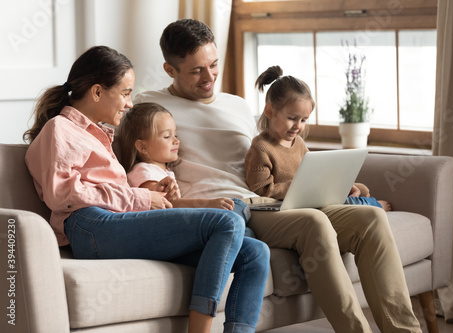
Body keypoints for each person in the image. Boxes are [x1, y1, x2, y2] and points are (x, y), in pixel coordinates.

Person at [134, 18, 422, 333]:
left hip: (266, 201)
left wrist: (323, 183)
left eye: (213, 65)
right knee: (313, 223)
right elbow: (133, 159)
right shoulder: (150, 105)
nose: (209, 77)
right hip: (228, 208)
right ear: (170, 70)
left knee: (371, 220)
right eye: (196, 70)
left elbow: (271, 152)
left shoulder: (237, 105)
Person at [23, 45, 270, 333]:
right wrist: (141, 197)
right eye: (125, 93)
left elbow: (113, 190)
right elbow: (61, 193)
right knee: (227, 221)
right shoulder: (60, 129)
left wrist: (159, 197)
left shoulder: (99, 135)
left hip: (113, 224)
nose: (129, 103)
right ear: (97, 92)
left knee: (255, 252)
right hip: (90, 226)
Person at [245, 65, 391, 211]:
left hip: (311, 194)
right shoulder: (261, 148)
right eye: (292, 118)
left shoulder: (298, 143)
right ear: (270, 111)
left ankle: (366, 204)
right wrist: (298, 187)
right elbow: (260, 190)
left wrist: (338, 184)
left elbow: (315, 172)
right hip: (295, 202)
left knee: (360, 189)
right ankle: (375, 207)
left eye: (303, 120)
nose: (298, 126)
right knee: (351, 201)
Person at [116, 101, 255, 237]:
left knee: (248, 235)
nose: (176, 141)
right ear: (142, 147)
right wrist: (209, 204)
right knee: (237, 206)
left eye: (175, 135)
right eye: (167, 136)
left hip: (176, 225)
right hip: (166, 231)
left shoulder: (162, 171)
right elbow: (167, 205)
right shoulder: (143, 171)